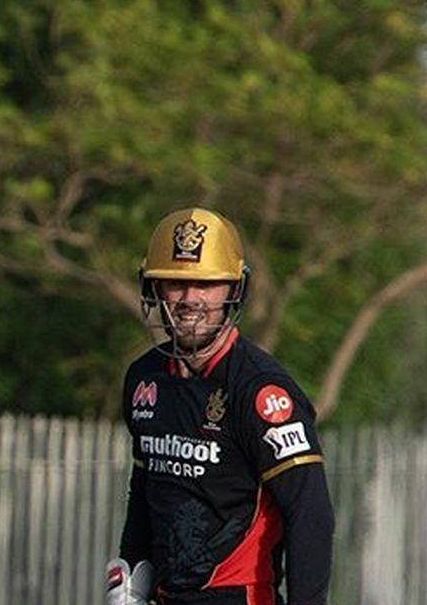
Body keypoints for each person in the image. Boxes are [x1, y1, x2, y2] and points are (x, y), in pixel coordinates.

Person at [107, 208, 334, 605]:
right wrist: (131, 576)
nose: (190, 299)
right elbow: (145, 489)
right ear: (154, 287)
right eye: (176, 284)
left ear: (234, 289)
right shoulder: (145, 378)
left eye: (207, 284)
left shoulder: (261, 390)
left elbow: (310, 513)